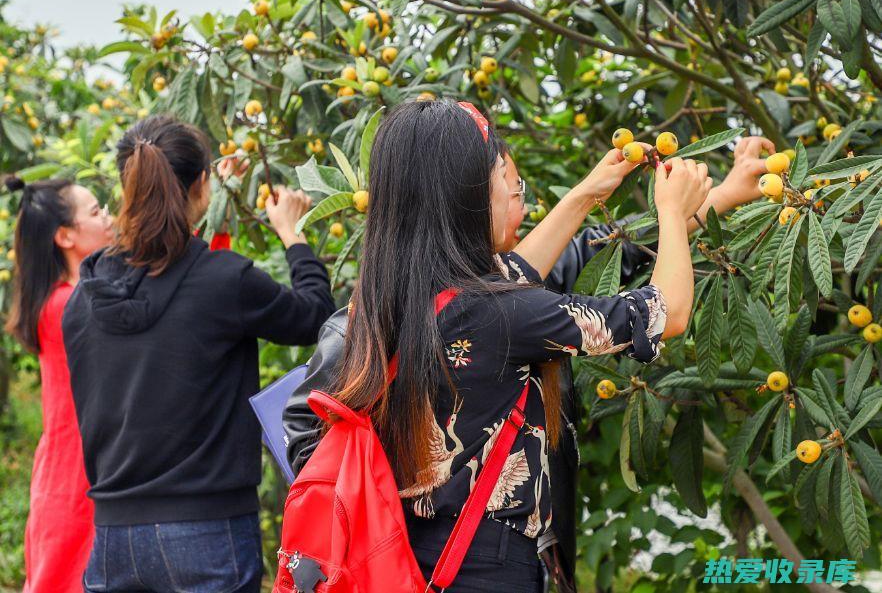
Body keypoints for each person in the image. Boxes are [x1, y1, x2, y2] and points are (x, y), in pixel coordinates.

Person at [283, 127, 773, 591]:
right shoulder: (498, 312)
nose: (517, 196)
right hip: (481, 563)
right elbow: (666, 313)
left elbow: (521, 271)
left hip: (401, 547)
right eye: (508, 183)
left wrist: (587, 194)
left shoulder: (391, 297)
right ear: (468, 200)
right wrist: (671, 209)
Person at [62, 114, 336, 593]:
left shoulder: (83, 298)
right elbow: (316, 316)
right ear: (202, 186)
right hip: (209, 526)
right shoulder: (224, 281)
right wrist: (293, 234)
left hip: (112, 535)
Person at [4, 176, 115, 593]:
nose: (107, 217)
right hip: (75, 486)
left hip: (69, 477)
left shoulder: (62, 297)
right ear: (65, 236)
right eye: (95, 211)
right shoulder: (69, 304)